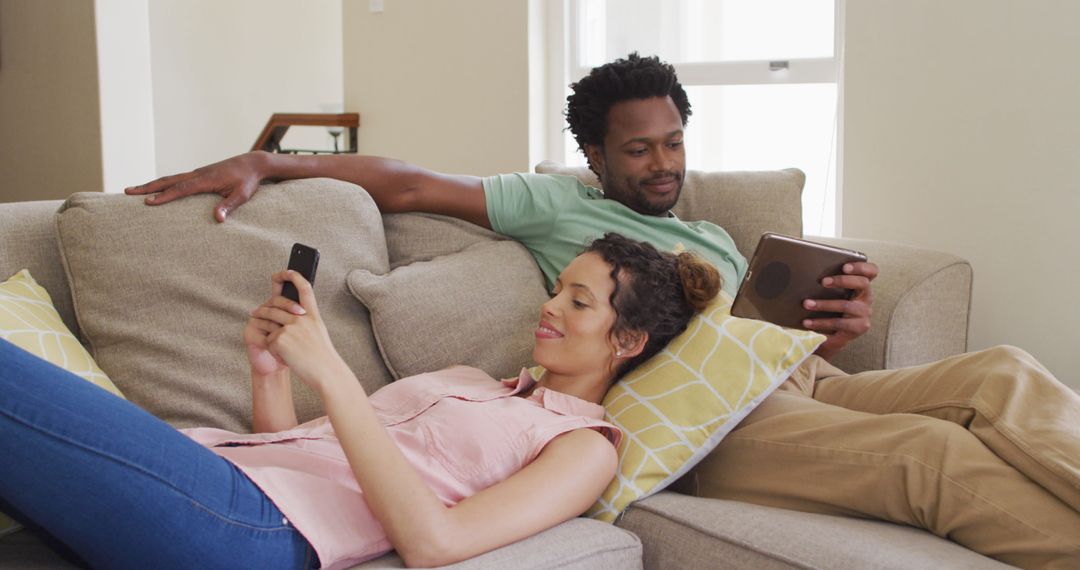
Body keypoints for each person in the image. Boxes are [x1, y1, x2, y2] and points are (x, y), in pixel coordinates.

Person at [126, 54, 1080, 567]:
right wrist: (271, 161)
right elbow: (409, 180)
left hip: (799, 376)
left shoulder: (706, 235)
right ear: (595, 157)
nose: (662, 166)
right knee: (934, 458)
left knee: (998, 374)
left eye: (672, 145)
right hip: (720, 418)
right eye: (638, 151)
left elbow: (762, 333)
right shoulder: (563, 209)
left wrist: (832, 326)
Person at [0, 233, 721, 569]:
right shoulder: (472, 379)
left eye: (580, 301)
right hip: (232, 482)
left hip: (251, 530)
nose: (551, 304)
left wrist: (334, 372)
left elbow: (436, 543)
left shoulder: (583, 448)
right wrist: (271, 372)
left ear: (626, 342)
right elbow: (301, 457)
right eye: (558, 285)